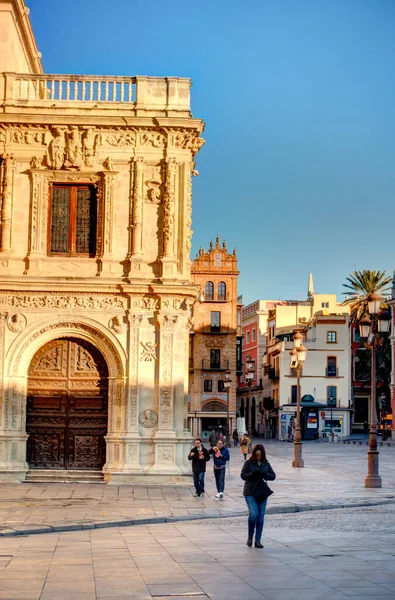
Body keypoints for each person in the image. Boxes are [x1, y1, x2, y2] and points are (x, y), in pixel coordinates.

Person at [241, 444, 276, 548]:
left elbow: (273, 475)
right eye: (257, 455)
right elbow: (243, 475)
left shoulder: (266, 464)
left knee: (260, 517)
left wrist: (264, 474)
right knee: (253, 514)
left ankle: (258, 540)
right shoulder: (248, 463)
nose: (258, 457)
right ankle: (250, 536)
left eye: (260, 456)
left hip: (262, 492)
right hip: (250, 491)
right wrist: (252, 474)